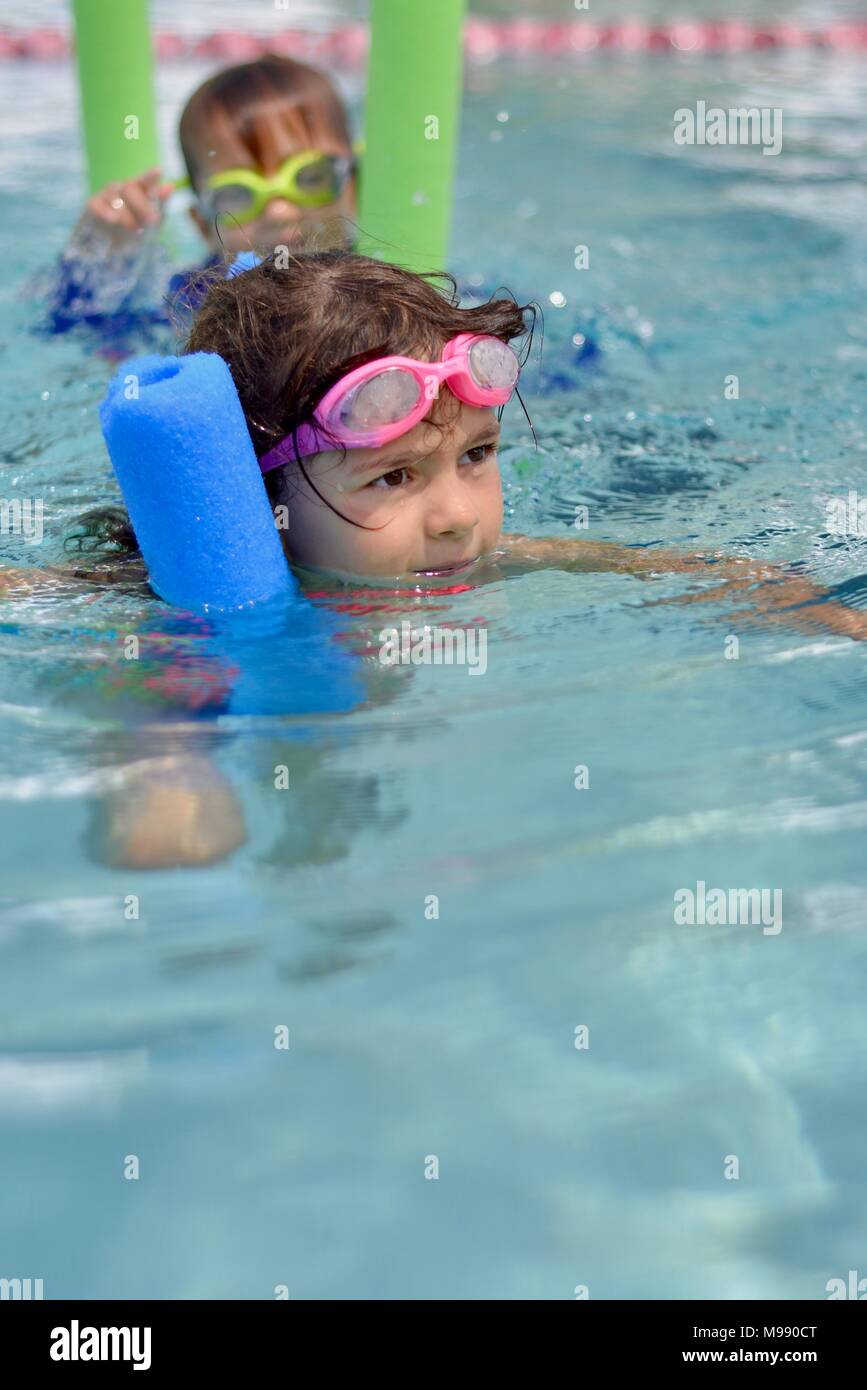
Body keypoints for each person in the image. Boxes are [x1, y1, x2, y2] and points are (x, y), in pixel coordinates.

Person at [41, 54, 357, 343]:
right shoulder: (190, 301)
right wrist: (96, 263)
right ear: (203, 226)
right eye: (237, 193)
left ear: (354, 186)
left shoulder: (380, 280)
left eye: (312, 177)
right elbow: (74, 333)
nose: (278, 210)